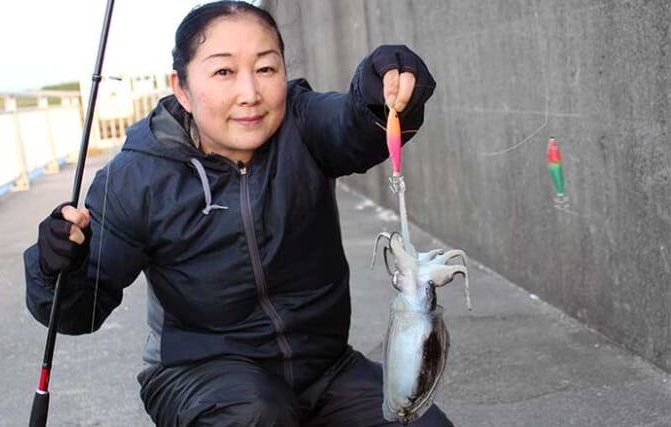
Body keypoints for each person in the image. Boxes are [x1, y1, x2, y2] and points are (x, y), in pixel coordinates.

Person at [24, 1, 452, 426]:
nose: (250, 93)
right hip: (195, 376)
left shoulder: (302, 123)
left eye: (266, 69)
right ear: (182, 88)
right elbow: (78, 309)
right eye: (224, 72)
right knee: (258, 414)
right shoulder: (137, 176)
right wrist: (57, 265)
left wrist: (380, 91)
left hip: (324, 372)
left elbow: (354, 125)